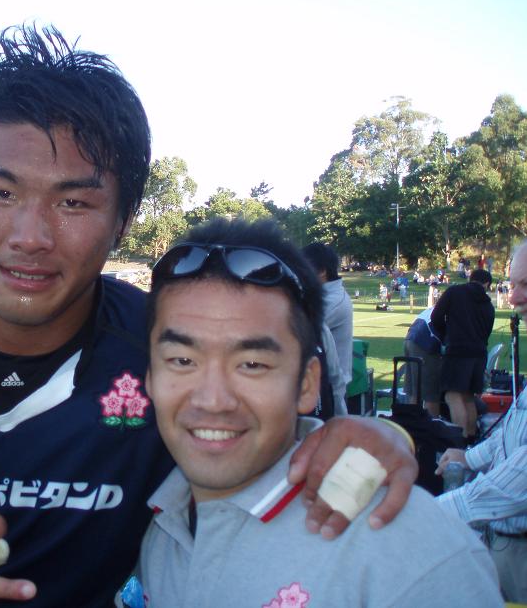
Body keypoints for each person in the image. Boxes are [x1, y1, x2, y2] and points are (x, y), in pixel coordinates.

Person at [0, 25, 418, 607]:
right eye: (0, 192)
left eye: (73, 203)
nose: (30, 235)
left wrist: (375, 437)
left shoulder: (166, 353)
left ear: (124, 220)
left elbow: (283, 440)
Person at [134, 219, 501, 606]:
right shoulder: (150, 521)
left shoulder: (414, 556)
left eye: (252, 364)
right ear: (150, 376)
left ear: (308, 383)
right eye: (181, 359)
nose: (212, 399)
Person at [436, 239, 527, 603]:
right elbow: (514, 425)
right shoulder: (485, 306)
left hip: (518, 552)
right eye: (514, 284)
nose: (515, 298)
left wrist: (424, 513)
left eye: (526, 285)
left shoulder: (455, 297)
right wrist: (468, 457)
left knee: (455, 399)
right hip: (502, 543)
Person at [431, 268, 495, 440]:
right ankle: (471, 437)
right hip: (479, 354)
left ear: (470, 278)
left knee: (452, 395)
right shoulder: (488, 305)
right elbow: (487, 333)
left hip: (457, 351)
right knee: (468, 397)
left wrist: (447, 336)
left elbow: (436, 317)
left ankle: (458, 439)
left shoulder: (455, 292)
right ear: (487, 284)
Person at [302, 242, 352, 411]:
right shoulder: (321, 296)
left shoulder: (333, 301)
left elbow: (295, 327)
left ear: (322, 271)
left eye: (303, 267)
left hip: (330, 386)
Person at [403, 307, 445, 416]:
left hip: (410, 337)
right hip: (425, 342)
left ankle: (412, 427)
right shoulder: (459, 309)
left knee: (414, 392)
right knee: (430, 395)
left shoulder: (444, 304)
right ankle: (431, 429)